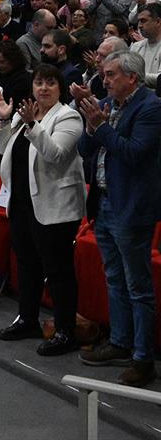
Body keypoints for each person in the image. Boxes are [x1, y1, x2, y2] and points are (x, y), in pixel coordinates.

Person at [74, 51, 161, 387]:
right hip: (106, 202)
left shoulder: (151, 108)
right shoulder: (111, 105)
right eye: (104, 75)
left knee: (137, 286)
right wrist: (90, 121)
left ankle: (143, 359)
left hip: (132, 208)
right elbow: (85, 150)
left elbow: (135, 154)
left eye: (110, 75)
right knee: (114, 277)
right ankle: (121, 342)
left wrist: (100, 125)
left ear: (132, 78)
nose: (105, 81)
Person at [0, 64, 86, 356]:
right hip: (22, 202)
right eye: (38, 83)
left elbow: (55, 154)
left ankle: (65, 331)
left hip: (55, 206)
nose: (43, 88)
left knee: (58, 271)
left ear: (59, 88)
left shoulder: (68, 116)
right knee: (27, 264)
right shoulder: (24, 115)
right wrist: (4, 121)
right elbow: (2, 148)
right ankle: (28, 319)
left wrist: (32, 125)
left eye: (50, 83)